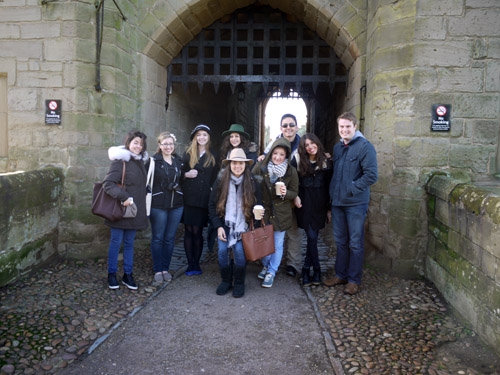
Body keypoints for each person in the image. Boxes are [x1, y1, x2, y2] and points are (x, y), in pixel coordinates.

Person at [323, 112, 378, 295]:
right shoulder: (337, 148)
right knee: (340, 241)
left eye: (348, 126)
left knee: (355, 242)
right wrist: (331, 202)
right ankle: (340, 275)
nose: (344, 130)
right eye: (342, 127)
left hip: (355, 203)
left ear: (355, 126)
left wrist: (352, 188)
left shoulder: (365, 147)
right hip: (338, 204)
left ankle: (354, 280)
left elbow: (371, 175)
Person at [208, 148, 260, 298]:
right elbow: (211, 205)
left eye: (241, 163)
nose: (238, 166)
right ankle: (225, 280)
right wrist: (218, 226)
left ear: (246, 165)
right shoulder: (220, 181)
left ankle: (238, 282)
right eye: (234, 163)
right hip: (224, 223)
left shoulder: (253, 182)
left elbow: (260, 205)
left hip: (243, 225)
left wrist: (254, 223)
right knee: (222, 251)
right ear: (230, 164)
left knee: (239, 252)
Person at [102, 130, 149, 290]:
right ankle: (112, 274)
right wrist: (124, 198)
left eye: (141, 144)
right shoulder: (119, 161)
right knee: (116, 243)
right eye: (136, 142)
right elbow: (108, 184)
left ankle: (128, 274)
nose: (138, 146)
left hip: (134, 211)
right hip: (121, 210)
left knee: (129, 243)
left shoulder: (140, 161)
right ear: (129, 142)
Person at [258, 113, 302, 279]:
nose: (288, 128)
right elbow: (263, 163)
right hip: (273, 201)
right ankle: (269, 264)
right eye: (285, 125)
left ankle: (292, 264)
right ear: (281, 128)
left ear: (297, 127)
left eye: (292, 125)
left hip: (295, 194)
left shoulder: (303, 144)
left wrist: (295, 195)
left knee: (293, 232)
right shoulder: (274, 145)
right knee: (270, 234)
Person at [252, 138, 298, 288]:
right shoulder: (262, 167)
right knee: (264, 242)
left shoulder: (291, 171)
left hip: (281, 214)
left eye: (282, 155)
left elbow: (295, 192)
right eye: (275, 153)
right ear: (271, 153)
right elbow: (251, 181)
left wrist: (286, 193)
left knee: (277, 244)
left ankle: (272, 270)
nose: (278, 157)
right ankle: (266, 265)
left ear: (286, 156)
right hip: (264, 212)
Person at [292, 133, 333, 286]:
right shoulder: (297, 161)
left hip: (320, 205)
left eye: (312, 143)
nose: (310, 147)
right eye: (306, 145)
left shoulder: (327, 162)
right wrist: (294, 196)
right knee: (311, 235)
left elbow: (330, 187)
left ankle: (306, 268)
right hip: (304, 204)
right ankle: (316, 269)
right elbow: (291, 181)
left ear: (317, 143)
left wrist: (329, 209)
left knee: (313, 237)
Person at [145, 132, 184, 284]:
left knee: (169, 239)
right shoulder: (153, 161)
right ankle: (157, 268)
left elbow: (182, 179)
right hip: (159, 205)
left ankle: (165, 268)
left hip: (176, 205)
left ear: (174, 146)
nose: (168, 147)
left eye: (171, 144)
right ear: (160, 145)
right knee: (158, 238)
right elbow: (145, 181)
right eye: (165, 144)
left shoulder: (178, 161)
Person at [181, 124, 218, 276]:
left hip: (203, 199)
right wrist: (185, 175)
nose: (201, 137)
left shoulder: (213, 156)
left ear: (208, 137)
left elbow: (216, 178)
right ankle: (190, 264)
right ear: (194, 137)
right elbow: (179, 172)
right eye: (199, 135)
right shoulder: (188, 154)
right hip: (188, 198)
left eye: (204, 134)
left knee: (197, 231)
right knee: (188, 230)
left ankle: (197, 262)